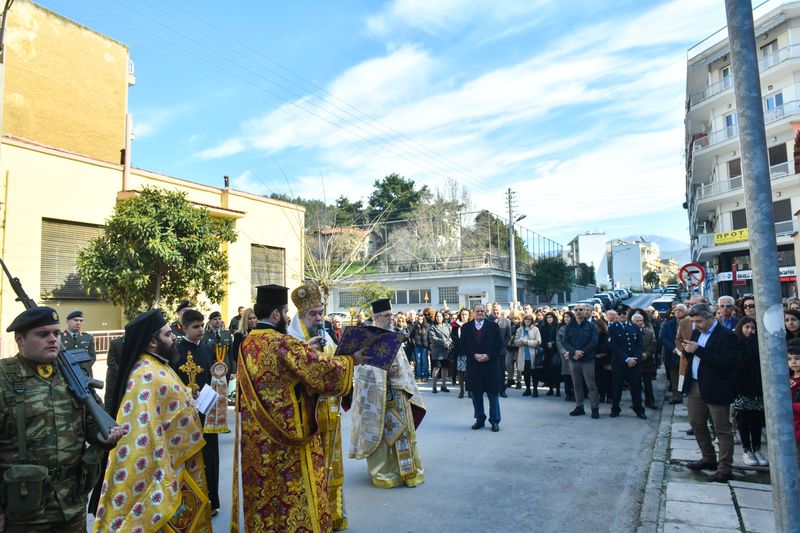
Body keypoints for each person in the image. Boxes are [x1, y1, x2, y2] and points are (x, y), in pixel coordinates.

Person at [233, 285, 363, 531]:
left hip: (257, 439)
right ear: (276, 314)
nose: (286, 317)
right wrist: (351, 360)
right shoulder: (282, 343)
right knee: (294, 496)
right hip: (289, 437)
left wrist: (309, 353)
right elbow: (323, 372)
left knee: (265, 496)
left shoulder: (247, 343)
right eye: (284, 312)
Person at [0, 307, 122, 533]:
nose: (53, 340)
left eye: (56, 334)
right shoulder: (4, 379)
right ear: (20, 340)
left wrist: (102, 434)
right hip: (23, 507)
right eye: (42, 334)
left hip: (72, 503)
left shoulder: (70, 373)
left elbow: (91, 418)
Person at [93, 309, 210, 533]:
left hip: (177, 460)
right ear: (152, 342)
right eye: (167, 335)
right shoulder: (144, 375)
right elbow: (141, 431)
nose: (173, 337)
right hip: (163, 466)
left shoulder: (159, 365)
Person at [287, 282, 349, 530]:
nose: (318, 318)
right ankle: (312, 517)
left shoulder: (328, 339)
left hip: (330, 414)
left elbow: (337, 368)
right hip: (308, 419)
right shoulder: (292, 341)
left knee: (332, 465)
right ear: (300, 315)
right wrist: (307, 356)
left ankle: (333, 515)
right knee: (312, 468)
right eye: (313, 313)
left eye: (321, 312)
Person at [348, 298, 425, 488]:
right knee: (382, 437)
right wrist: (381, 372)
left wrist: (400, 377)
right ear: (375, 317)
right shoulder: (366, 338)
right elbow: (361, 368)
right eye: (386, 316)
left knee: (404, 432)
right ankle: (384, 473)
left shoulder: (394, 335)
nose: (390, 318)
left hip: (398, 391)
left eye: (391, 314)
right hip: (376, 396)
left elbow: (404, 366)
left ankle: (408, 471)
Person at [682, 303, 738, 483]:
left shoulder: (726, 336)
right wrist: (689, 351)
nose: (696, 325)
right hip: (695, 385)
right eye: (693, 321)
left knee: (721, 429)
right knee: (696, 422)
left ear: (711, 317)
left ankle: (725, 468)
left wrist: (698, 350)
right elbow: (695, 357)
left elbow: (725, 362)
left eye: (699, 321)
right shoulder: (697, 333)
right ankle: (708, 458)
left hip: (716, 387)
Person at [172, 309, 221, 516]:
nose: (200, 330)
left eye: (202, 326)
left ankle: (212, 501)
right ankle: (189, 501)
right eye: (195, 327)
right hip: (186, 413)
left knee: (211, 456)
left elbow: (215, 378)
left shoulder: (209, 350)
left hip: (207, 411)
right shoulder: (175, 351)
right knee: (190, 457)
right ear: (183, 328)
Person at [460, 304, 505, 432]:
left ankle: (495, 421)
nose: (480, 313)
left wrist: (488, 355)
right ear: (473, 313)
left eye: (482, 311)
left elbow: (499, 345)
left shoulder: (493, 326)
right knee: (476, 395)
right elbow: (463, 345)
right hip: (474, 366)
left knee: (493, 395)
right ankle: (480, 419)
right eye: (477, 311)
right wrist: (473, 355)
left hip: (490, 366)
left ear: (485, 312)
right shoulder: (466, 327)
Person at [733, 317, 767, 467]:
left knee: (756, 421)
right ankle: (747, 450)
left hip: (757, 388)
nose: (750, 331)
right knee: (743, 420)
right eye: (747, 327)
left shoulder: (758, 342)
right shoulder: (736, 343)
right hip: (741, 388)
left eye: (753, 328)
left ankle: (757, 449)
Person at [563, 304, 600, 419]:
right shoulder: (569, 326)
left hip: (587, 360)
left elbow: (594, 342)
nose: (578, 312)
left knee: (591, 385)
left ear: (585, 311)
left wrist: (581, 352)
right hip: (573, 360)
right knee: (577, 385)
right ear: (574, 312)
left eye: (581, 310)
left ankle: (594, 408)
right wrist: (574, 352)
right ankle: (579, 407)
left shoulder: (591, 326)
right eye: (576, 310)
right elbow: (566, 342)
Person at [608, 310, 646, 420]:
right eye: (619, 314)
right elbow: (613, 346)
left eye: (623, 314)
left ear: (627, 315)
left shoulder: (634, 326)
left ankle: (638, 408)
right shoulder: (612, 327)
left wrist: (635, 357)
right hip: (619, 362)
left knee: (636, 386)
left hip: (634, 362)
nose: (621, 316)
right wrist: (626, 358)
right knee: (617, 386)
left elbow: (639, 343)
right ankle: (615, 408)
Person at [632, 311, 658, 410]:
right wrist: (636, 355)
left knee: (648, 383)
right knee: (635, 383)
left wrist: (646, 354)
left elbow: (653, 344)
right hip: (634, 361)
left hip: (646, 360)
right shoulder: (628, 332)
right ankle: (636, 402)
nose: (639, 322)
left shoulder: (649, 332)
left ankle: (650, 401)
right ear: (632, 322)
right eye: (637, 321)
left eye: (641, 320)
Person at [660, 305, 686, 405]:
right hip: (672, 354)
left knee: (684, 375)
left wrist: (683, 348)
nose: (678, 312)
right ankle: (677, 396)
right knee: (675, 376)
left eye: (681, 310)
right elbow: (663, 338)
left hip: (686, 353)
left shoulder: (689, 323)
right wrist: (673, 348)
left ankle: (686, 393)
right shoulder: (668, 324)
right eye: (676, 310)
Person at [60, 310, 96, 376]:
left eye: (81, 321)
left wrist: (83, 369)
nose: (78, 323)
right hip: (66, 374)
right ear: (67, 321)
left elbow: (92, 357)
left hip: (85, 374)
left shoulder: (88, 337)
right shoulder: (60, 337)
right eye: (76, 320)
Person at [514, 314, 542, 397]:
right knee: (526, 374)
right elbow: (515, 342)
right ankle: (528, 389)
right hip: (523, 355)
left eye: (529, 320)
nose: (527, 321)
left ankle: (535, 390)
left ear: (532, 321)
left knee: (534, 374)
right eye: (526, 319)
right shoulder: (519, 329)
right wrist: (521, 341)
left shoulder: (535, 329)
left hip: (533, 355)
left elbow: (539, 342)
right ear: (523, 320)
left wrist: (528, 342)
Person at [428, 311, 453, 393]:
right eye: (437, 316)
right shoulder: (433, 327)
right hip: (438, 351)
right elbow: (433, 338)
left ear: (443, 317)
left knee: (445, 368)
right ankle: (434, 387)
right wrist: (443, 343)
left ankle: (443, 386)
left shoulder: (448, 325)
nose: (439, 318)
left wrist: (449, 342)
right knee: (436, 368)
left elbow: (451, 336)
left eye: (440, 316)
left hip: (446, 350)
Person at [451, 308, 471, 399]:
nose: (464, 316)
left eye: (466, 314)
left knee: (469, 373)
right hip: (459, 352)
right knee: (460, 372)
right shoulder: (455, 325)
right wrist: (460, 343)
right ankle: (462, 390)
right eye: (462, 314)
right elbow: (453, 337)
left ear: (468, 315)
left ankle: (469, 390)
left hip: (469, 352)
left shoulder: (471, 325)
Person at [540, 312, 561, 396]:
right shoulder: (543, 327)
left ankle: (558, 389)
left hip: (555, 351)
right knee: (548, 371)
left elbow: (559, 339)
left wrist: (553, 344)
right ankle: (551, 389)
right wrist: (546, 344)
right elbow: (542, 339)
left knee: (556, 371)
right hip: (547, 351)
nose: (549, 319)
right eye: (547, 317)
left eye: (551, 317)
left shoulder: (557, 327)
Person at [556, 311, 576, 402]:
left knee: (575, 375)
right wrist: (564, 352)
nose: (566, 319)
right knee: (566, 375)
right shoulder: (561, 328)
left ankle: (575, 393)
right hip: (564, 355)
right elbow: (558, 342)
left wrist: (572, 352)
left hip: (574, 354)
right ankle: (568, 393)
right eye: (565, 317)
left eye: (568, 317)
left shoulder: (576, 327)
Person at [594, 315, 612, 404]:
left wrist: (603, 353)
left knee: (607, 380)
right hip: (596, 360)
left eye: (597, 327)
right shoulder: (594, 336)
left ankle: (609, 396)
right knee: (598, 380)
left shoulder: (606, 335)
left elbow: (609, 347)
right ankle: (601, 395)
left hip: (606, 360)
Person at [409, 314, 429, 382]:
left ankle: (425, 375)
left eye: (421, 319)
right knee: (418, 361)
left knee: (424, 361)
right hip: (417, 346)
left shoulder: (427, 326)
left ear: (423, 319)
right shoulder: (415, 326)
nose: (420, 320)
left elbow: (429, 337)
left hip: (424, 346)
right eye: (419, 319)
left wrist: (429, 348)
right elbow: (411, 336)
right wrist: (413, 341)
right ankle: (418, 376)